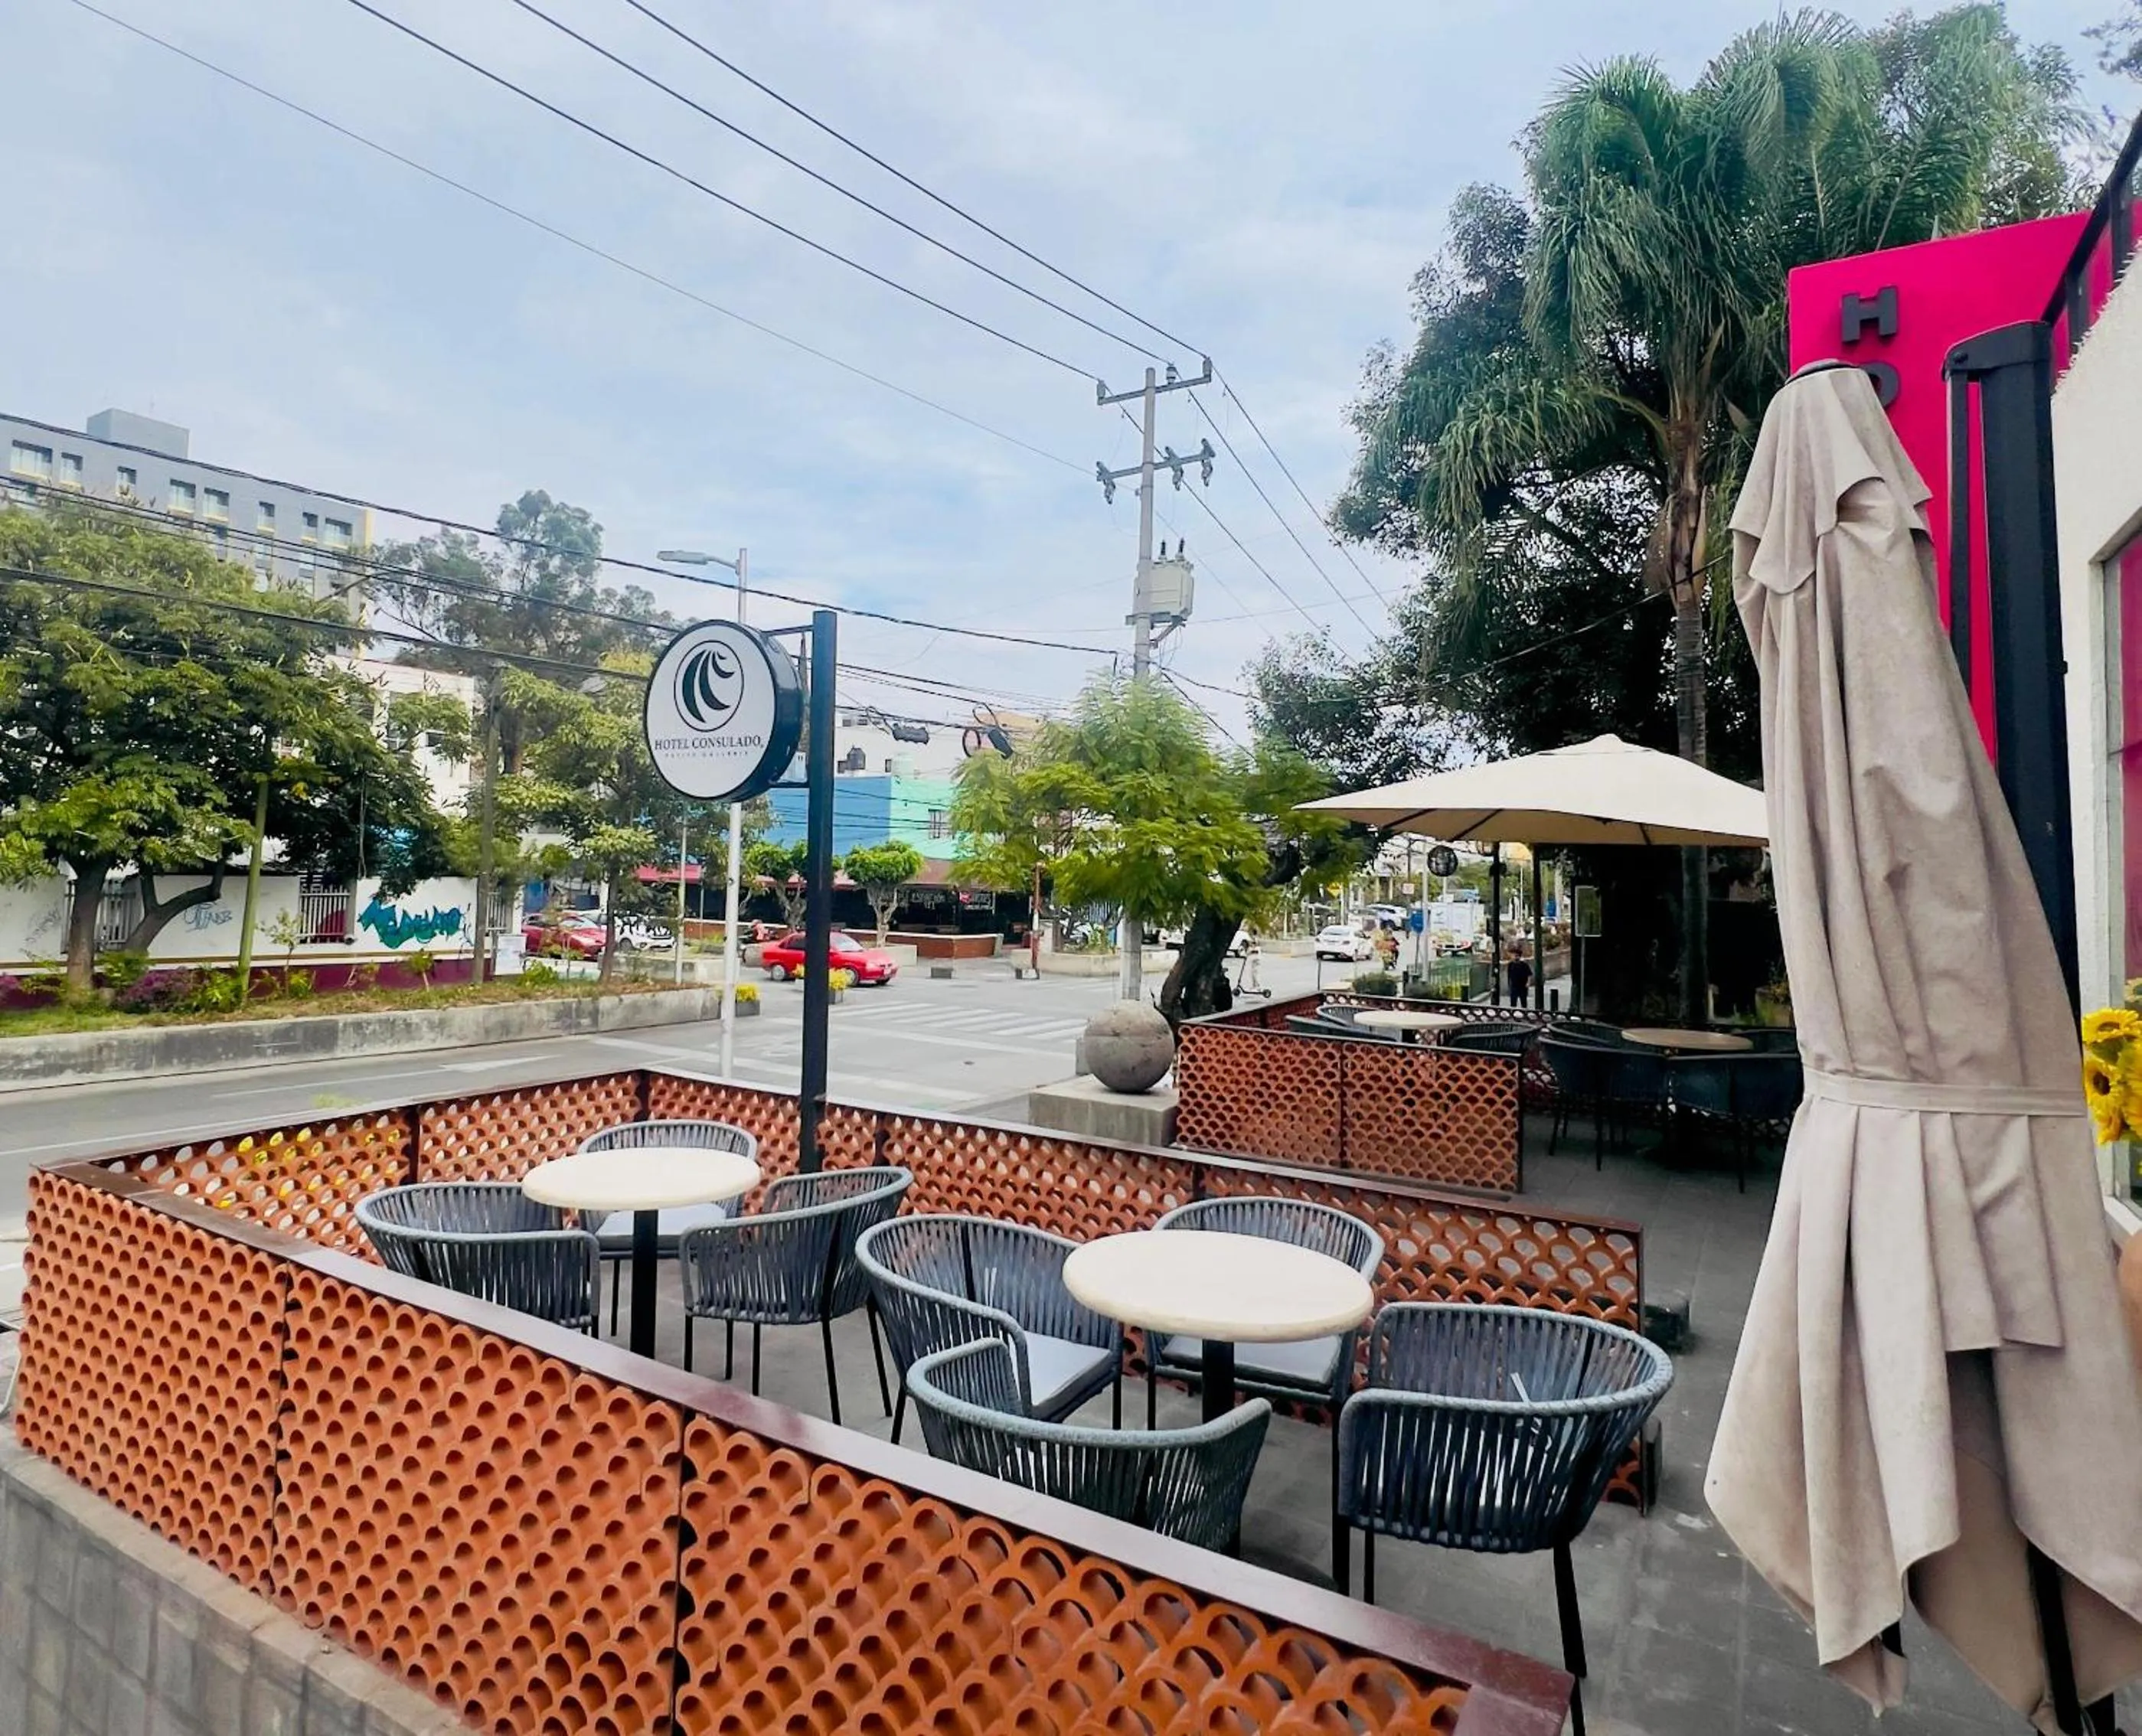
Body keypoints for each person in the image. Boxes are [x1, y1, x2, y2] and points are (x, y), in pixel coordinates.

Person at [1233, 931, 1265, 997]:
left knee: (1254, 973)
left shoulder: (1254, 939)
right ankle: (1254, 986)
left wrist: (1249, 951)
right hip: (1253, 958)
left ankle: (1257, 987)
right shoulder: (1252, 939)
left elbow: (1255, 948)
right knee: (1252, 973)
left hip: (1255, 958)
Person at [1507, 940, 1533, 1004]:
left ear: (1519, 956)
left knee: (1523, 1001)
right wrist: (1509, 984)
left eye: (1517, 956)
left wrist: (1528, 983)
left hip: (1523, 986)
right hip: (1514, 986)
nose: (1515, 957)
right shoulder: (1511, 964)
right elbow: (1509, 975)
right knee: (1513, 1001)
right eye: (1514, 956)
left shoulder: (1524, 964)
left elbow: (1529, 974)